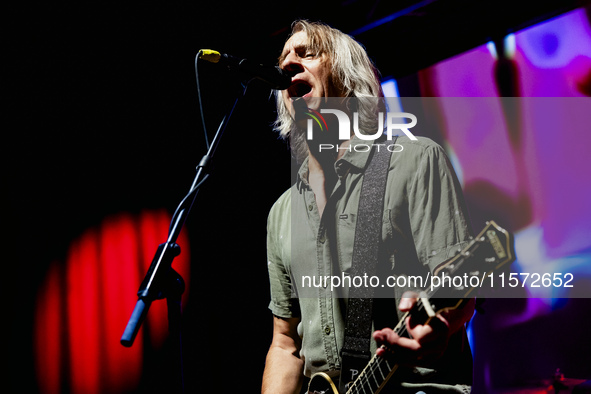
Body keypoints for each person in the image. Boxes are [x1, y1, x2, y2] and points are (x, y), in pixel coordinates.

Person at [262, 20, 476, 394]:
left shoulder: (413, 161)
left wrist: (440, 322)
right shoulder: (282, 213)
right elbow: (286, 345)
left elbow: (458, 285)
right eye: (284, 58)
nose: (289, 63)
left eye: (307, 53)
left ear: (347, 76)